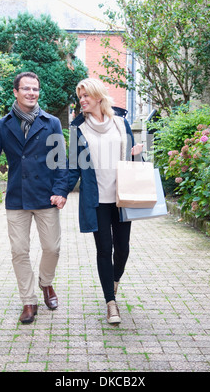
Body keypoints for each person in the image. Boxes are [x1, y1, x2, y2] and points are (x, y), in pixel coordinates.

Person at [0, 72, 68, 324]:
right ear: (15, 92)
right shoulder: (2, 125)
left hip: (46, 196)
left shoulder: (51, 123)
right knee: (19, 251)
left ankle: (46, 283)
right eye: (26, 88)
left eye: (35, 89)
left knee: (52, 247)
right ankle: (28, 301)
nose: (31, 93)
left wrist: (61, 190)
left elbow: (61, 160)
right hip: (17, 197)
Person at [68, 78, 143, 324]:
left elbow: (135, 161)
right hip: (96, 200)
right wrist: (61, 192)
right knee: (104, 249)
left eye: (86, 96)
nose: (82, 101)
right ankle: (111, 303)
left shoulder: (121, 124)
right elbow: (72, 167)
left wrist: (138, 154)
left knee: (123, 249)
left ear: (99, 97)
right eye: (80, 97)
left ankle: (114, 281)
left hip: (122, 197)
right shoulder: (78, 129)